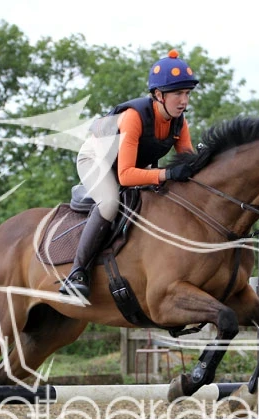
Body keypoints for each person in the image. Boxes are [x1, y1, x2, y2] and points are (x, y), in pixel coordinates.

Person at [59, 49, 199, 297]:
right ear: (159, 95)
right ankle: (77, 273)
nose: (184, 101)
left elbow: (189, 166)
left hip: (128, 165)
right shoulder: (134, 117)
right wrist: (166, 174)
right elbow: (125, 176)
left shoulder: (179, 122)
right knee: (109, 203)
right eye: (178, 93)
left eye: (187, 93)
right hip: (96, 160)